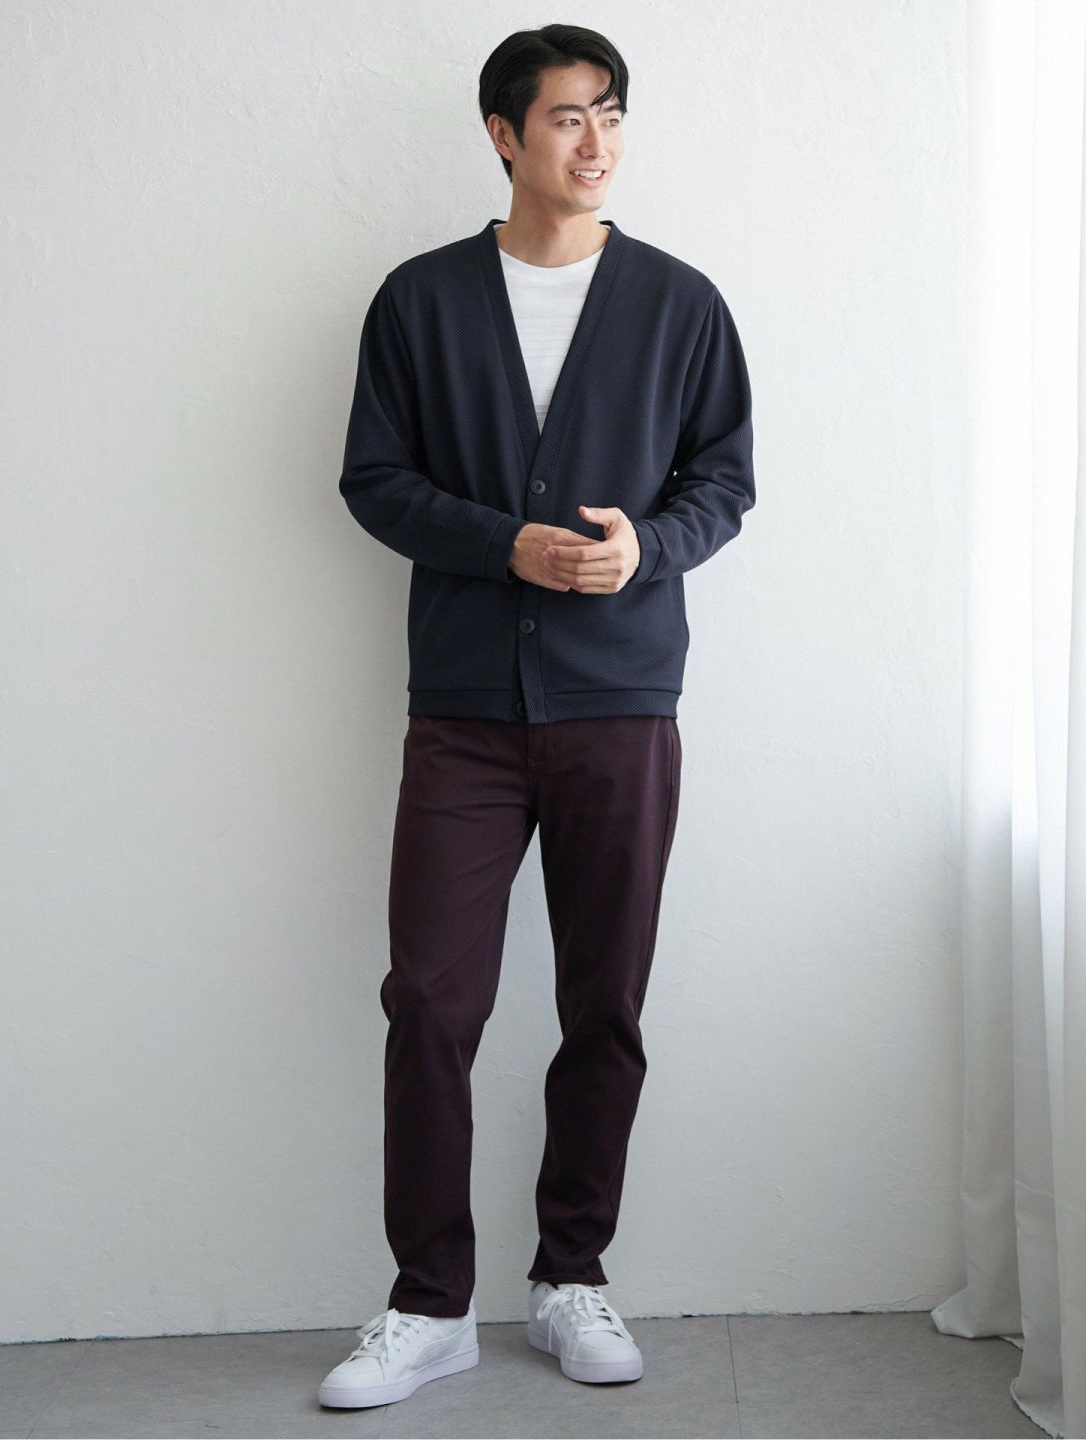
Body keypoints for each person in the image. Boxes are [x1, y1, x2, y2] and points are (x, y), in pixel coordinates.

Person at [318, 21, 755, 1410]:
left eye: (610, 112)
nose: (596, 140)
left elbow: (725, 479)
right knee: (429, 1001)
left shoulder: (679, 303)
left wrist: (649, 550)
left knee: (604, 1000)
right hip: (464, 710)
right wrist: (503, 543)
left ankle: (574, 1275)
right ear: (504, 136)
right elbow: (374, 479)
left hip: (621, 704)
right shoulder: (421, 301)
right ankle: (427, 1302)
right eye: (567, 116)